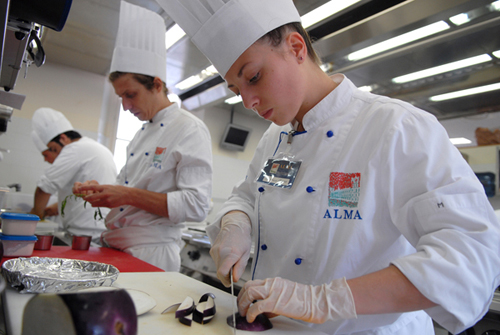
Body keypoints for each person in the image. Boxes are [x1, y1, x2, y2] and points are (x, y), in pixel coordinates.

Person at [157, 0, 500, 334]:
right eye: (236, 89)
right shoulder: (275, 138)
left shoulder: (397, 127)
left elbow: (472, 257)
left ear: (296, 47)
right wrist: (236, 222)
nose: (248, 102)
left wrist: (322, 301)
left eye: (254, 77)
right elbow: (248, 196)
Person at [73, 1, 213, 272]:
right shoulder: (141, 134)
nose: (125, 105)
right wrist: (102, 191)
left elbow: (197, 207)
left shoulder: (189, 129)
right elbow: (129, 190)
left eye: (130, 94)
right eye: (120, 97)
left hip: (152, 253)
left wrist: (125, 194)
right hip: (119, 245)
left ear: (157, 85)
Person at [30, 107, 117, 243]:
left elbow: (43, 188)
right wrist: (57, 207)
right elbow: (88, 192)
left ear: (63, 139)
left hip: (85, 233)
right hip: (99, 230)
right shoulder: (94, 147)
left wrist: (35, 216)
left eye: (53, 149)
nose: (54, 156)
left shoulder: (74, 149)